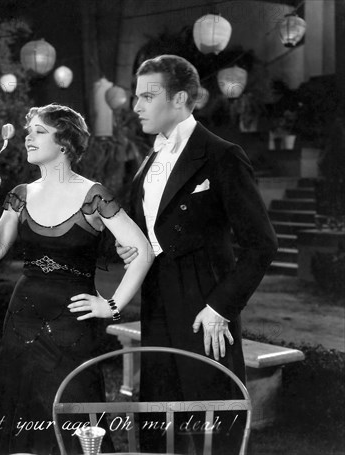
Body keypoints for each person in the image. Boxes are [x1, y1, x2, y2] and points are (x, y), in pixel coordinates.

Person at [117, 55, 278, 453]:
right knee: (158, 422)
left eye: (147, 96)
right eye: (136, 96)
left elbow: (262, 244)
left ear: (180, 99)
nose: (136, 105)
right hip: (156, 303)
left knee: (213, 421)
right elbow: (150, 229)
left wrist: (221, 307)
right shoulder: (149, 160)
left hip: (205, 308)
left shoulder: (221, 155)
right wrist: (132, 246)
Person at [0, 103, 152, 454]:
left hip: (73, 323)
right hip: (23, 321)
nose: (28, 137)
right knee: (19, 410)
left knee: (72, 408)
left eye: (39, 131)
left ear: (65, 144)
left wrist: (112, 306)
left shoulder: (94, 195)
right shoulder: (21, 194)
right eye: (29, 131)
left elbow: (142, 251)